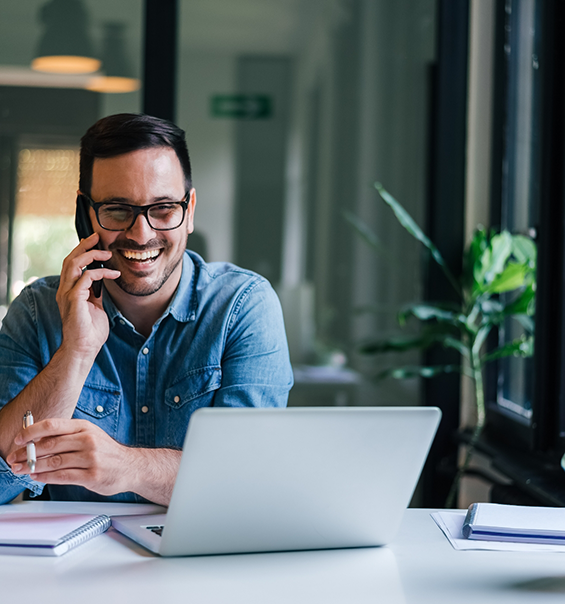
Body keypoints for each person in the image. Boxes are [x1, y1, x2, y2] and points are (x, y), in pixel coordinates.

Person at [0, 113, 293, 506]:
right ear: (86, 215)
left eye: (163, 209)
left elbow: (249, 481)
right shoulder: (37, 311)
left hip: (203, 561)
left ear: (189, 211)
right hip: (74, 564)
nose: (141, 234)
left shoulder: (243, 306)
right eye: (118, 210)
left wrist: (126, 466)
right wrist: (76, 352)